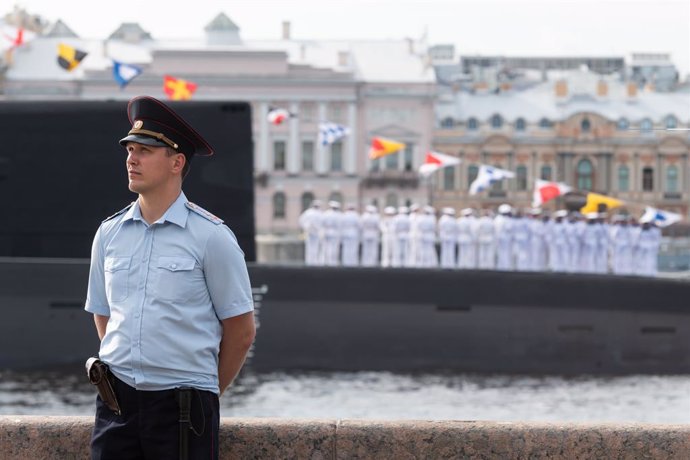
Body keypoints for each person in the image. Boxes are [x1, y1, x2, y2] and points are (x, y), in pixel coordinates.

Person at [84, 96, 256, 460]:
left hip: (183, 407)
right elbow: (104, 314)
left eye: (145, 150)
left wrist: (203, 391)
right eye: (130, 149)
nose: (132, 158)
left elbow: (241, 331)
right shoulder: (109, 233)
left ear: (177, 162)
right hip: (117, 405)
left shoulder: (211, 237)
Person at [299, 199, 324, 266]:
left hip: (311, 232)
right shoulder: (320, 213)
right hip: (314, 232)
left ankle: (310, 262)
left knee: (310, 248)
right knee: (314, 248)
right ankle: (313, 262)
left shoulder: (308, 212)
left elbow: (301, 221)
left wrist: (306, 227)